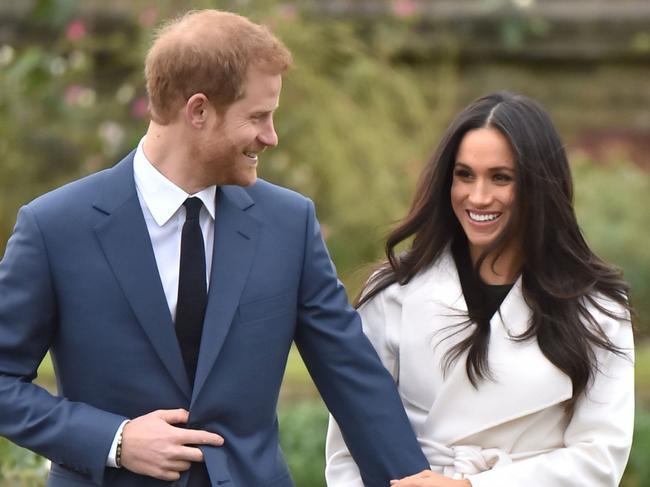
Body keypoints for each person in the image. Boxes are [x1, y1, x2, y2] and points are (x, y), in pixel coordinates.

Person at [0, 9, 430, 487]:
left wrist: (410, 478)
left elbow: (351, 376)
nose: (271, 137)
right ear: (198, 111)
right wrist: (114, 440)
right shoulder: (55, 227)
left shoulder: (289, 225)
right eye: (259, 117)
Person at [326, 92, 634, 487]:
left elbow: (600, 456)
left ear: (539, 185)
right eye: (465, 174)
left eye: (501, 177)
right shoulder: (393, 292)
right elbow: (349, 443)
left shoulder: (597, 308)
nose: (478, 197)